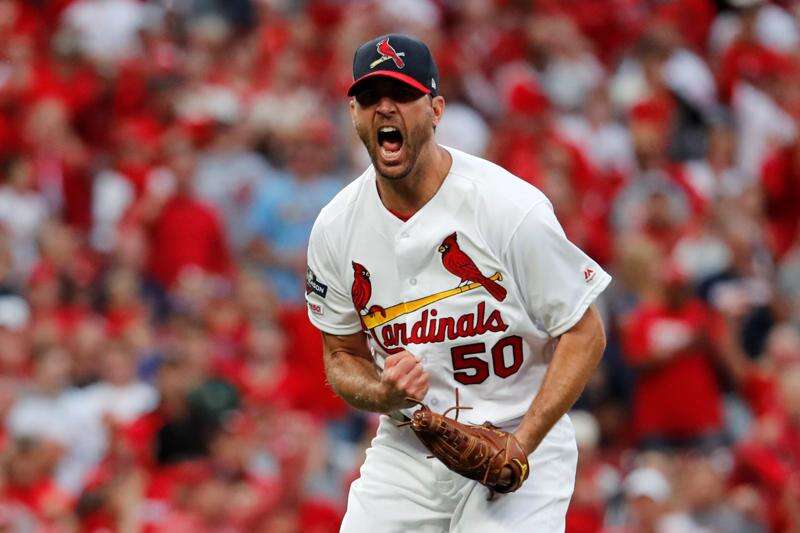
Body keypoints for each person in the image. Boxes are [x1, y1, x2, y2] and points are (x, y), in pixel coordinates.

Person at [305, 34, 610, 531]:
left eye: (402, 95)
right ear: (354, 113)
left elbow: (584, 330)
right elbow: (340, 355)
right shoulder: (336, 227)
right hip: (409, 445)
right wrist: (382, 395)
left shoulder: (509, 209)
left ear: (436, 109)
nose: (386, 108)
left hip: (517, 433)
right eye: (370, 97)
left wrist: (522, 443)